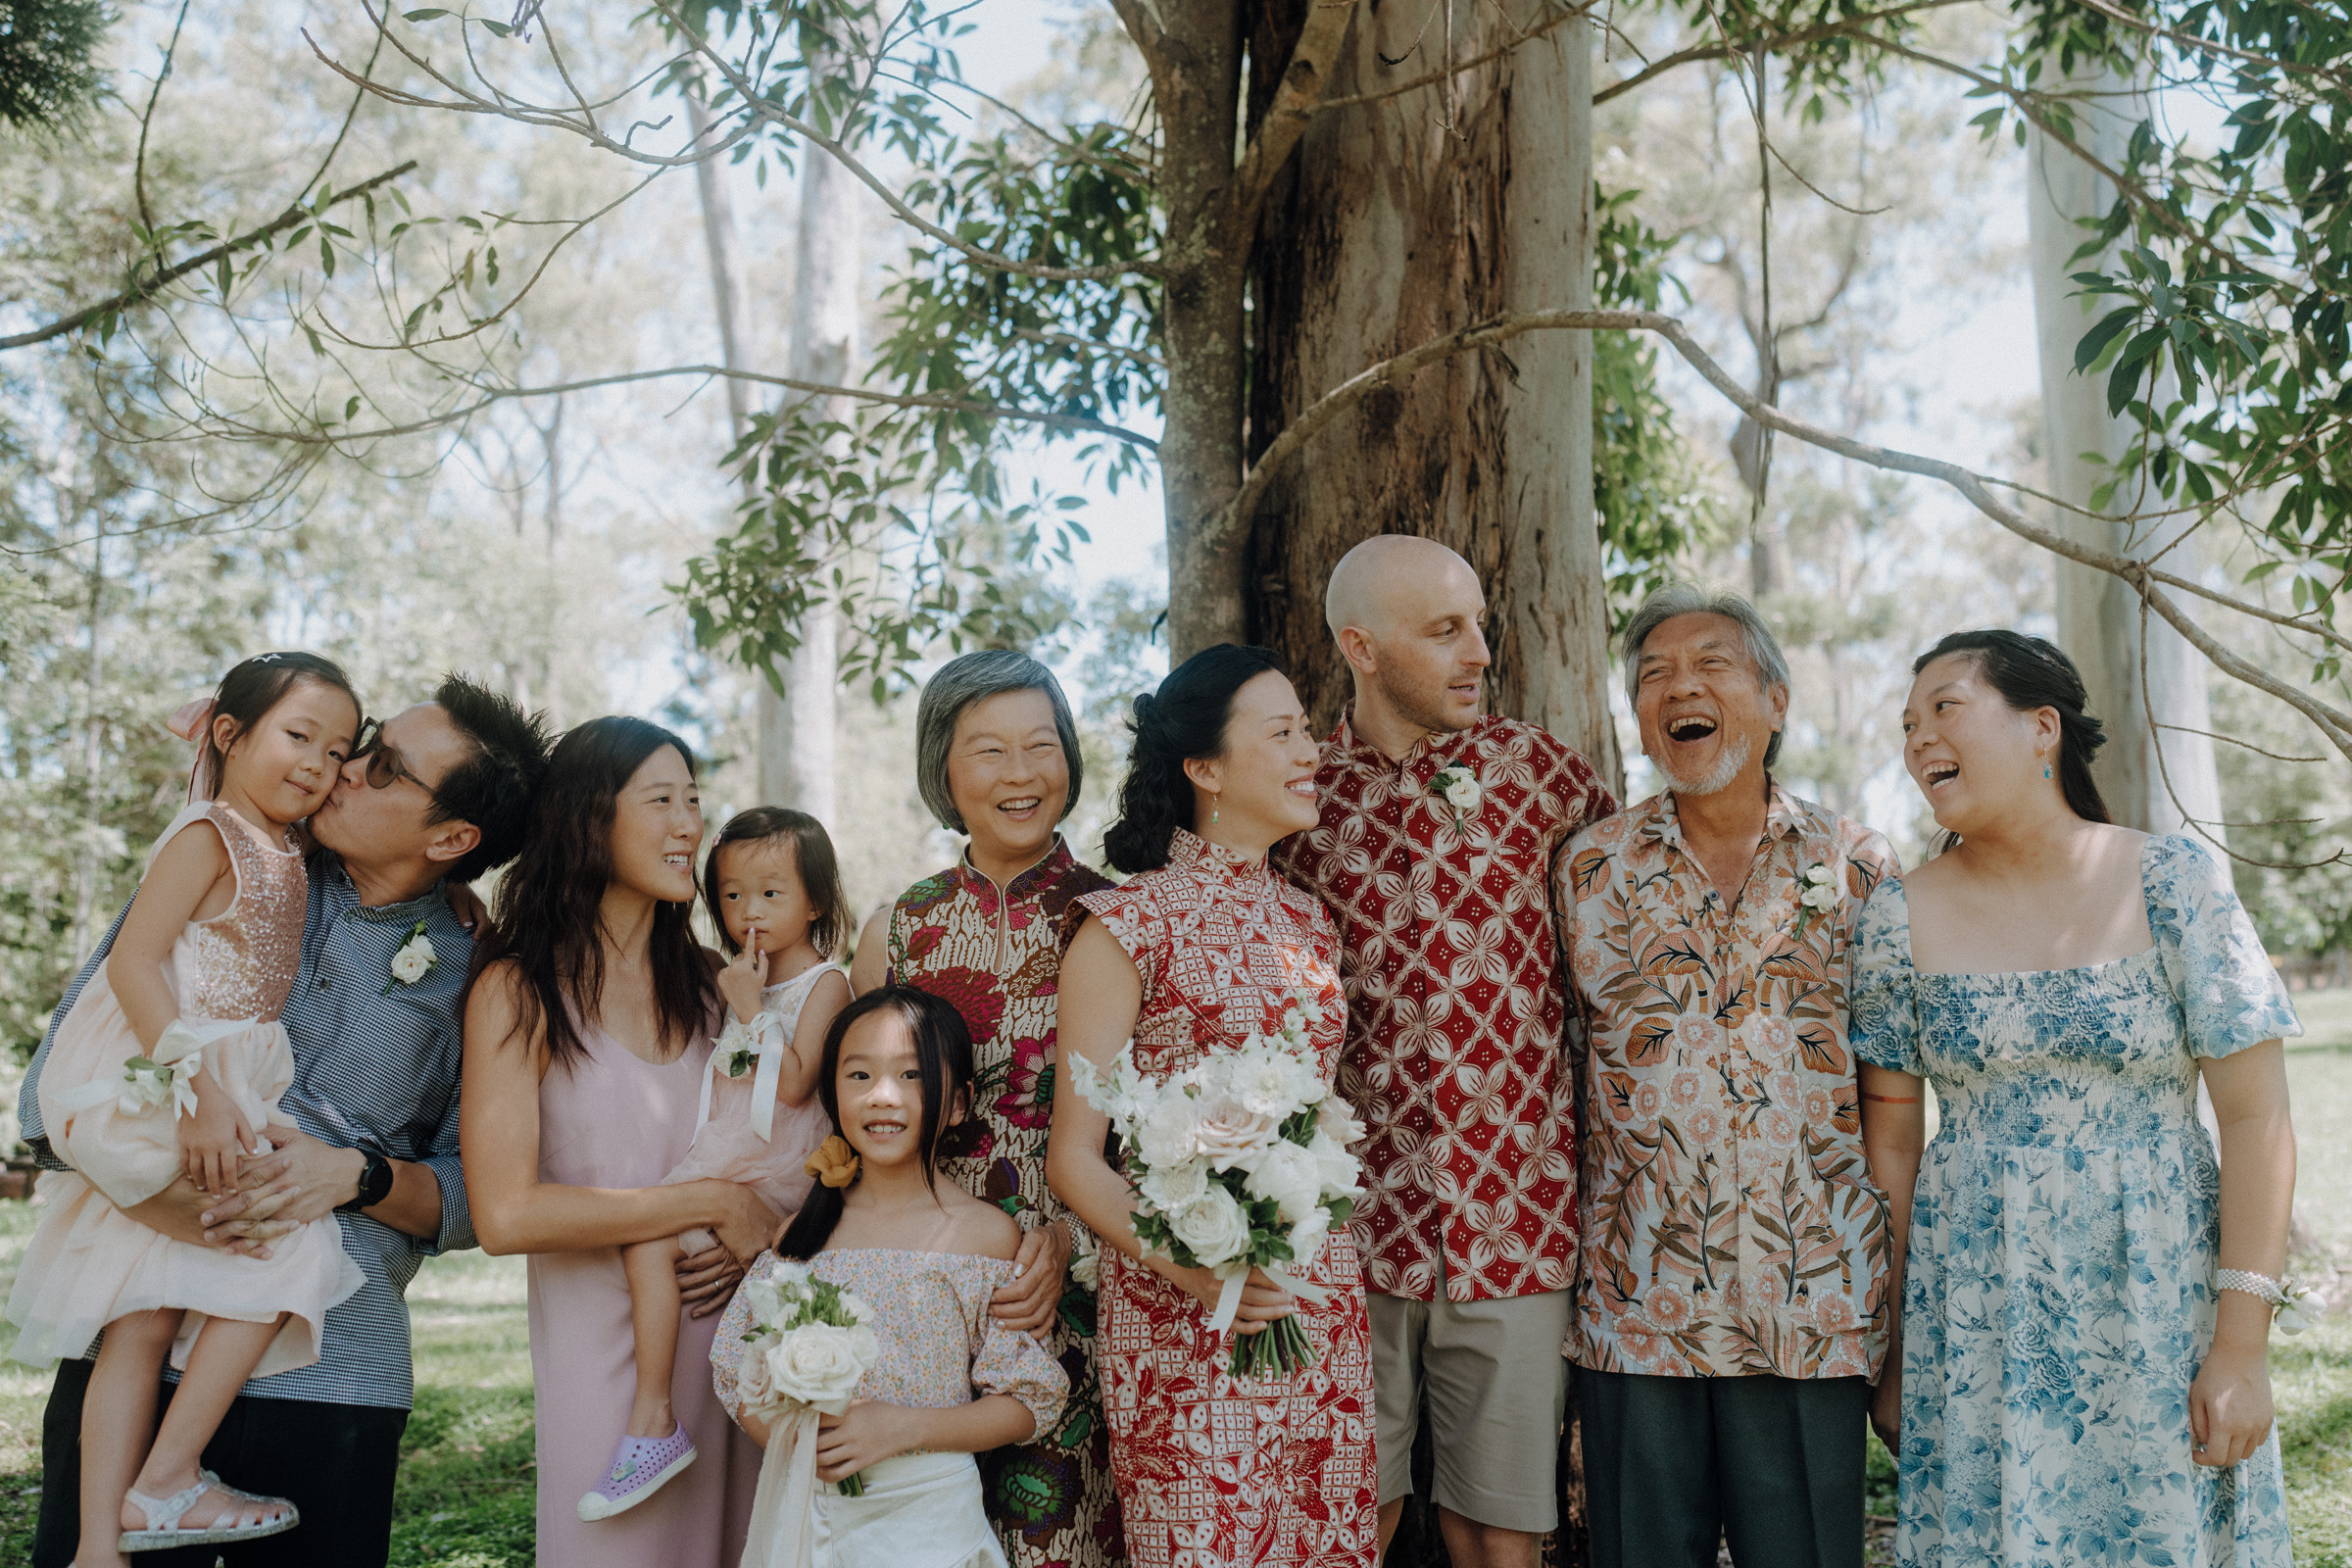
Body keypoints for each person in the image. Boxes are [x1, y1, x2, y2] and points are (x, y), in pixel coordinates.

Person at [20, 669, 552, 1568]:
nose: (340, 769)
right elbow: (50, 1090)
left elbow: (473, 1200)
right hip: (140, 1347)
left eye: (378, 765)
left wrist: (357, 1175)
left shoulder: (484, 973)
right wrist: (171, 1197)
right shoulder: (228, 860)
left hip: (332, 1372)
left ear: (453, 836)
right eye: (358, 744)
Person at [1853, 630, 2300, 1567]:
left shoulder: (2173, 881)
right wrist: (1892, 1349)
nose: (1917, 737)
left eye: (1945, 706)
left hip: (2160, 1309)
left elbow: (2258, 1119)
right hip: (1980, 1329)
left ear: (2040, 729)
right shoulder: (1896, 917)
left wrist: (2242, 1347)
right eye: (1906, 724)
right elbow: (1891, 1148)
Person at [1274, 535, 1616, 1568]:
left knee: (1495, 1532)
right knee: (1347, 1518)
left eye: (1479, 625)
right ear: (1360, 647)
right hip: (1348, 1230)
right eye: (1444, 631)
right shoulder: (1296, 798)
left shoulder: (1549, 779)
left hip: (1512, 1218)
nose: (1479, 652)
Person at [1557, 585, 1895, 1568]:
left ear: (1778, 701)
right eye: (1654, 674)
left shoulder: (1858, 863)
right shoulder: (1586, 868)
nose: (1679, 687)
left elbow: (1892, 1090)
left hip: (1810, 1298)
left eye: (1711, 664)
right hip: (1636, 1301)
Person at [9, 654, 367, 1563]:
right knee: (292, 1245)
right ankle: (166, 1480)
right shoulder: (207, 835)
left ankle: (100, 1545)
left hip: (225, 1078)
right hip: (163, 1077)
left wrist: (457, 898)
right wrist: (201, 1093)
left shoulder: (288, 847)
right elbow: (133, 962)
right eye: (298, 737)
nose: (318, 766)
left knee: (143, 1315)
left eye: (336, 751)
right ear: (230, 735)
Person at [1048, 644, 1379, 1568]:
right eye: (1282, 733)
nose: (1311, 749)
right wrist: (1199, 1274)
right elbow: (1074, 1158)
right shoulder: (1125, 922)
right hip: (1179, 1314)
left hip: (1314, 1299)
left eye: (1307, 728)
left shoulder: (1309, 921)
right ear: (1204, 769)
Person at [460, 716, 779, 1567]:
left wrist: (761, 1231)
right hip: (606, 1379)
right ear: (588, 818)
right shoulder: (515, 989)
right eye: (662, 801)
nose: (689, 826)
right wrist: (712, 1203)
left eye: (695, 802)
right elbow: (504, 1215)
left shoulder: (721, 988)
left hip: (741, 1358)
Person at [847, 649, 1119, 1568]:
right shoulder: (899, 929)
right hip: (921, 1295)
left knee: (1062, 1542)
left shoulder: (1124, 919)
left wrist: (1071, 1242)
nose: (1021, 774)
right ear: (943, 771)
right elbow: (854, 1124)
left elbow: (1158, 1131)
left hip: (1074, 1294)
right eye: (989, 751)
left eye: (1041, 747)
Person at [710, 986, 1071, 1568]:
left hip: (929, 1522)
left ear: (959, 1103)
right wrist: (797, 1443)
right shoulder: (803, 1236)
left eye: (912, 1076)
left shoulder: (983, 1237)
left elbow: (1026, 1402)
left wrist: (902, 1429)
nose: (883, 1097)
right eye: (859, 1076)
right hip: (810, 1512)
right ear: (833, 1092)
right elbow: (737, 1369)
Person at [587, 808, 849, 1521]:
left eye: (771, 893)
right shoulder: (739, 978)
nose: (748, 912)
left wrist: (750, 1004)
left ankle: (660, 1421)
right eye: (731, 895)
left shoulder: (826, 982)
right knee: (648, 1238)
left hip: (779, 1161)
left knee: (663, 1241)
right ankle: (657, 1416)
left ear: (815, 900)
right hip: (733, 1151)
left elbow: (795, 1084)